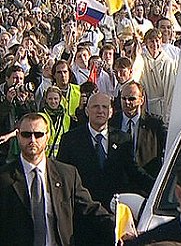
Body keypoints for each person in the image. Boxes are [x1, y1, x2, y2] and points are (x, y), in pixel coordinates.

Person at [0, 113, 115, 245]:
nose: (32, 140)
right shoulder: (4, 178)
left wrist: (118, 227)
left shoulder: (67, 174)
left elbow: (89, 209)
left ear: (47, 136)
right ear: (18, 136)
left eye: (38, 135)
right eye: (26, 134)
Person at [57, 93, 154, 211]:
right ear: (87, 111)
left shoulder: (123, 139)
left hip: (113, 209)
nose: (100, 111)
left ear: (111, 112)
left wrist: (156, 188)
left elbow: (132, 170)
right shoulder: (70, 139)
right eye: (95, 107)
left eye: (105, 107)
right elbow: (62, 175)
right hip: (82, 209)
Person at [109, 81, 167, 176]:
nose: (127, 102)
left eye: (131, 99)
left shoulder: (155, 125)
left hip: (146, 182)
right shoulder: (111, 123)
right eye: (123, 98)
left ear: (141, 100)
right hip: (118, 182)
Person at [140, 29, 177, 124]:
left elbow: (170, 89)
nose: (155, 44)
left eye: (157, 41)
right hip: (147, 108)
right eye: (151, 41)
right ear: (146, 43)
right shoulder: (141, 60)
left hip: (162, 109)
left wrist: (167, 115)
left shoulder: (167, 62)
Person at [40, 86, 73, 158]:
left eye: (56, 99)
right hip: (45, 157)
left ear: (60, 99)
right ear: (46, 100)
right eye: (50, 99)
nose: (53, 101)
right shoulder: (40, 117)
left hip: (62, 157)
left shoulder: (66, 117)